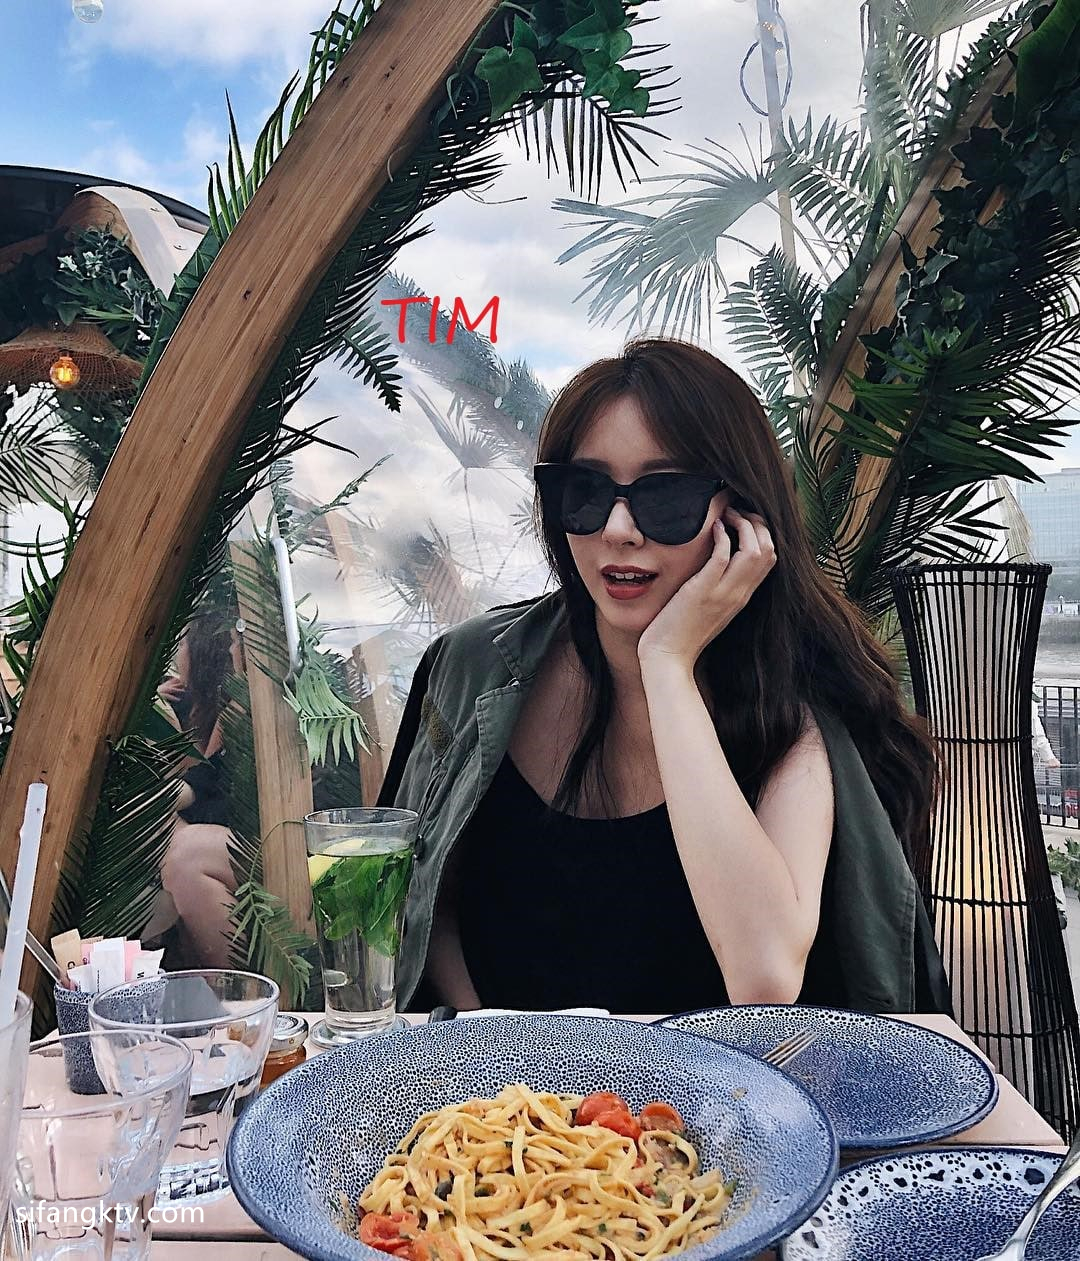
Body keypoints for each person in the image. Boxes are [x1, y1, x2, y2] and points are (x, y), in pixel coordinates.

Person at [377, 337, 951, 1016]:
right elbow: (425, 904)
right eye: (585, 491)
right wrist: (497, 1046)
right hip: (496, 1079)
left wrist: (668, 664)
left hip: (713, 1083)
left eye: (666, 495)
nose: (619, 529)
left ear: (742, 517)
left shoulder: (793, 712)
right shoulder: (472, 670)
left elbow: (764, 976)